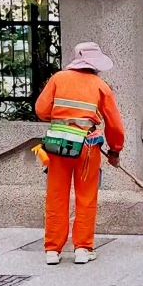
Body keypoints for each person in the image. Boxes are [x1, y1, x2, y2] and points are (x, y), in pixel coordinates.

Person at [34, 42, 125, 265]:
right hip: (87, 148)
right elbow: (114, 125)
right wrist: (114, 151)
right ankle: (83, 248)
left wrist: (63, 118)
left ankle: (52, 250)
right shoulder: (100, 86)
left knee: (56, 196)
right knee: (86, 197)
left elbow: (41, 110)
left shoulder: (58, 79)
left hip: (58, 146)